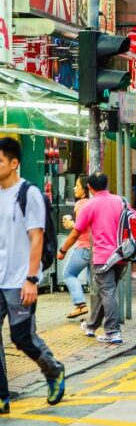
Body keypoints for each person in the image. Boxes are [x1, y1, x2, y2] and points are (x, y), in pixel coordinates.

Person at [0, 137, 65, 411]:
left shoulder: (29, 193)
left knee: (22, 338)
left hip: (19, 280)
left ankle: (53, 370)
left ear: (14, 164)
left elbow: (36, 237)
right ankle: (2, 395)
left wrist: (31, 278)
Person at [58, 173, 127, 345]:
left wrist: (63, 250)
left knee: (107, 292)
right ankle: (91, 325)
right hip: (121, 254)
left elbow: (75, 232)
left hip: (103, 255)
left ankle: (113, 332)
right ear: (107, 184)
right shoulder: (120, 201)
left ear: (89, 187)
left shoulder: (90, 205)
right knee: (107, 291)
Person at [59, 177, 91, 319]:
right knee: (95, 282)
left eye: (77, 186)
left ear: (85, 190)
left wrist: (62, 250)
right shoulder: (93, 203)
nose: (74, 188)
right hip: (96, 248)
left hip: (84, 246)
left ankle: (80, 305)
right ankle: (100, 312)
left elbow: (79, 229)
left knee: (68, 274)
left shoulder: (81, 204)